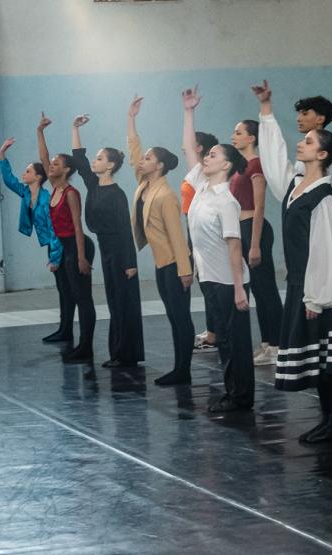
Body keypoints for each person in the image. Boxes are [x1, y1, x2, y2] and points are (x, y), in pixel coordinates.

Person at [253, 79, 332, 443]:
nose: (301, 141)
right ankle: (329, 419)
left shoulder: (323, 196)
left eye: (309, 141)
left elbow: (325, 251)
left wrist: (317, 297)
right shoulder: (295, 184)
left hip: (321, 288)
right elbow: (272, 161)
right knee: (319, 357)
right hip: (303, 285)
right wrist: (266, 112)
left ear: (322, 155)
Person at [182, 85, 255, 412]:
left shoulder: (226, 200)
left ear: (226, 166)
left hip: (230, 282)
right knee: (223, 340)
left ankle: (240, 397)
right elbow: (189, 150)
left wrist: (240, 288)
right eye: (207, 155)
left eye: (213, 155)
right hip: (210, 278)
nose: (206, 157)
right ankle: (232, 392)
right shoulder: (200, 185)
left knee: (235, 342)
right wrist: (189, 111)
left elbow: (234, 244)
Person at [127, 95, 196, 386]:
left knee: (180, 317)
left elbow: (178, 235)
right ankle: (180, 368)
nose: (142, 161)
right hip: (160, 262)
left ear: (160, 166)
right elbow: (132, 154)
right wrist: (131, 119)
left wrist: (184, 270)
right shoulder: (145, 184)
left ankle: (183, 370)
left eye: (148, 159)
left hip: (173, 263)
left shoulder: (166, 194)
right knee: (172, 315)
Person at [70, 115, 145, 368]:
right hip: (105, 248)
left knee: (123, 301)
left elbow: (126, 229)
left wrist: (130, 262)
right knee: (113, 300)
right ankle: (118, 352)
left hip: (118, 250)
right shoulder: (93, 185)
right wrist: (75, 129)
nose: (95, 161)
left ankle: (126, 353)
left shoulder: (117, 194)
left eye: (100, 158)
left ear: (111, 166)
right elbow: (79, 160)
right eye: (97, 157)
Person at [37, 113, 97, 363]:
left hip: (77, 245)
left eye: (56, 164)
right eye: (51, 164)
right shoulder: (54, 187)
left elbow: (76, 226)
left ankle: (86, 346)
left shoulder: (71, 193)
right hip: (62, 248)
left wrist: (81, 257)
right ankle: (68, 333)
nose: (51, 166)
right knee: (67, 292)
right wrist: (40, 132)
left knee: (83, 298)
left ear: (67, 169)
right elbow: (42, 157)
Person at [0, 137, 68, 342]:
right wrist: (2, 155)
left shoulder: (46, 199)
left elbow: (55, 230)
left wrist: (54, 258)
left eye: (28, 171)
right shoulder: (27, 193)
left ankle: (66, 330)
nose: (23, 174)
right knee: (61, 289)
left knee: (66, 288)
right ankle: (63, 328)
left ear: (38, 177)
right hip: (52, 245)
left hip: (60, 246)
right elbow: (9, 180)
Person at [228, 118, 284, 366]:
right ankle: (266, 343)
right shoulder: (239, 167)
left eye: (238, 132)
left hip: (254, 228)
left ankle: (279, 345)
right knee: (258, 290)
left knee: (266, 290)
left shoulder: (256, 165)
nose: (234, 136)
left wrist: (254, 244)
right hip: (241, 228)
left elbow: (260, 205)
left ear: (251, 138)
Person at [187, 131, 222, 353]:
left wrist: (188, 112)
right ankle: (213, 332)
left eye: (213, 155)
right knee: (206, 285)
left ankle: (218, 334)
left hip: (211, 237)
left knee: (214, 289)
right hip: (195, 229)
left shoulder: (221, 192)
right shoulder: (199, 177)